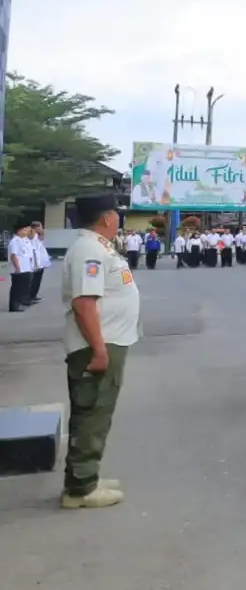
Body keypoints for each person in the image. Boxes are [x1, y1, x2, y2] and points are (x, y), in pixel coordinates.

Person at [61, 194, 140, 509]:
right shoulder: (89, 250)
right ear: (107, 218)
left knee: (96, 411)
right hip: (97, 344)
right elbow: (83, 302)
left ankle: (84, 476)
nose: (119, 220)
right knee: (92, 411)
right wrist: (98, 349)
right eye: (117, 215)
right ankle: (81, 488)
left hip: (108, 340)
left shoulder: (97, 246)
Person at [8, 223, 35, 311]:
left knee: (23, 288)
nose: (27, 231)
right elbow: (13, 255)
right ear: (19, 230)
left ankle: (19, 303)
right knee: (17, 288)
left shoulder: (23, 240)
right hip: (19, 269)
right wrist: (17, 268)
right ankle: (14, 306)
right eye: (25, 230)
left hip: (26, 268)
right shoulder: (15, 241)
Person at [30, 222, 52, 303]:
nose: (42, 229)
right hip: (36, 263)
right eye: (40, 227)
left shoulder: (38, 237)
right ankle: (30, 296)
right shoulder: (32, 237)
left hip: (41, 263)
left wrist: (41, 234)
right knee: (34, 280)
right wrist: (36, 263)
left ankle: (34, 295)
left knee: (37, 280)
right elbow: (34, 251)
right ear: (35, 228)